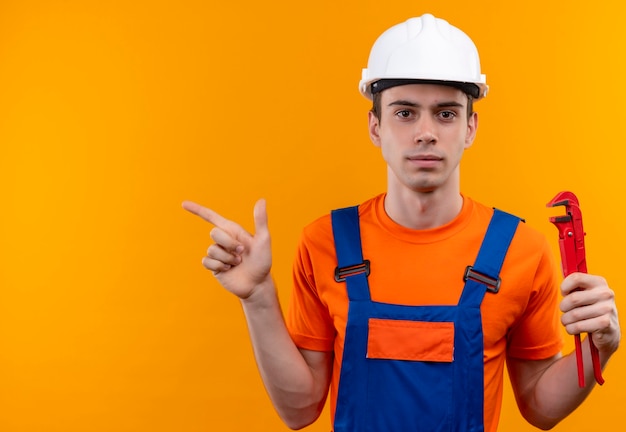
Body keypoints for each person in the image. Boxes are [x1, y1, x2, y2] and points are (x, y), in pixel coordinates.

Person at [182, 13, 620, 432]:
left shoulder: (519, 250)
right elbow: (299, 410)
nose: (425, 132)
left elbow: (541, 408)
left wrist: (599, 349)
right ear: (375, 127)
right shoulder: (326, 243)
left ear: (470, 127)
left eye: (446, 113)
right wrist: (258, 297)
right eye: (405, 112)